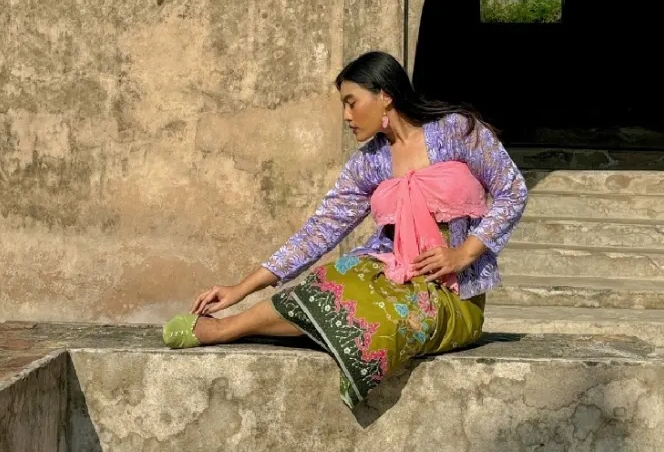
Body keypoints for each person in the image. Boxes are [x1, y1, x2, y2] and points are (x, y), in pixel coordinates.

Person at [162, 50, 528, 408]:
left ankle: (233, 330)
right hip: (392, 276)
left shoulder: (458, 130)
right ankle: (229, 328)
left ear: (385, 96)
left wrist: (463, 253)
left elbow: (512, 191)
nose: (346, 115)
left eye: (352, 102)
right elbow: (319, 231)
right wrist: (241, 287)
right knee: (333, 279)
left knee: (376, 313)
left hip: (453, 295)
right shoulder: (369, 163)